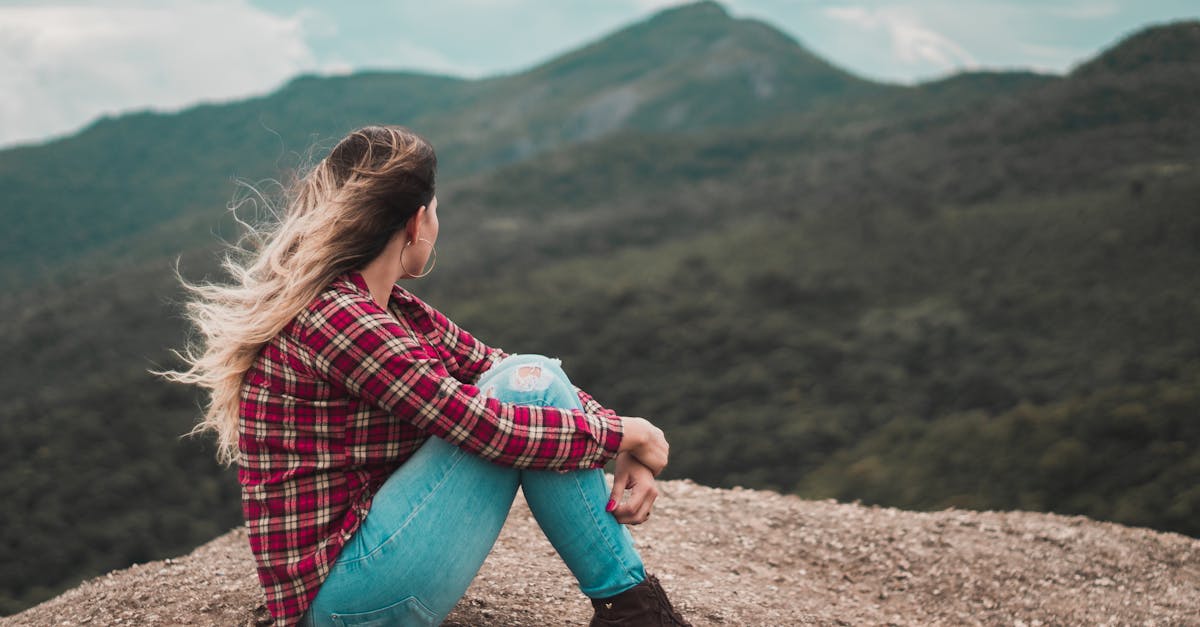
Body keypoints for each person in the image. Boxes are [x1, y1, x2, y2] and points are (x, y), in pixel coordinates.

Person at [162, 125, 691, 626]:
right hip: (343, 598)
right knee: (520, 390)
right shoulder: (341, 318)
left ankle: (634, 610)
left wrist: (618, 441)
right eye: (435, 213)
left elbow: (500, 366)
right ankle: (637, 611)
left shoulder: (386, 308)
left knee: (529, 375)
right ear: (416, 222)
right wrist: (629, 433)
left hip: (362, 571)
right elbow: (484, 426)